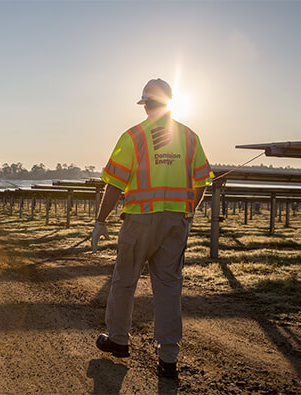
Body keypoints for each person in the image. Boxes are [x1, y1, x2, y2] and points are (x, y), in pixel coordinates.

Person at [92, 78, 214, 378]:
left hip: (139, 221)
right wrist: (188, 213)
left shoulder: (133, 136)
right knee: (169, 286)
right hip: (176, 221)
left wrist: (100, 220)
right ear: (171, 103)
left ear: (145, 104)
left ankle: (119, 340)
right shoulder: (189, 137)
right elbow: (201, 182)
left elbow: (114, 185)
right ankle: (169, 358)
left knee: (124, 281)